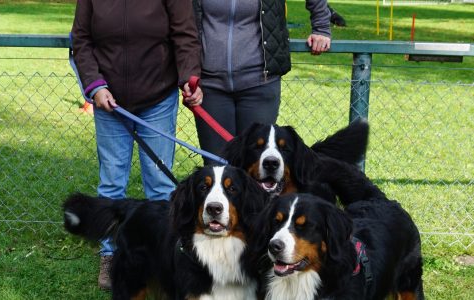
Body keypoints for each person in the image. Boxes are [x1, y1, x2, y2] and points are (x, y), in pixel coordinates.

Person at [71, 0, 202, 290]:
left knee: (159, 185)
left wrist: (189, 78)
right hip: (109, 102)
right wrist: (95, 86)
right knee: (111, 182)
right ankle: (109, 255)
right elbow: (81, 40)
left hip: (158, 97)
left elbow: (185, 36)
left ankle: (166, 257)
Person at [192, 0, 331, 162]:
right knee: (216, 165)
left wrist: (321, 28)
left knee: (255, 165)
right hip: (210, 87)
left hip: (259, 83)